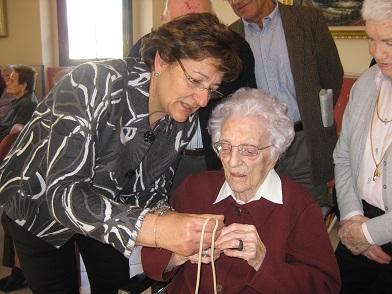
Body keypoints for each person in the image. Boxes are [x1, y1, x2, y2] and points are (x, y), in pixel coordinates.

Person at [0, 13, 242, 294]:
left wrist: (179, 230)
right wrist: (156, 229)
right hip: (37, 202)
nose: (202, 100)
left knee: (113, 281)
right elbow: (62, 193)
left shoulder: (181, 119)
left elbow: (151, 192)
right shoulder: (91, 83)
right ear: (161, 60)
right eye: (195, 80)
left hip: (104, 199)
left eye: (211, 90)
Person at [142, 88, 341, 293]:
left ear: (274, 154)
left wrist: (263, 261)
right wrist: (178, 255)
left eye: (249, 150)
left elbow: (324, 286)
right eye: (225, 147)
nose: (233, 162)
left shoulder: (298, 205)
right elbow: (150, 260)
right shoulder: (194, 188)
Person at [129, 0, 256, 192]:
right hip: (156, 158)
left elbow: (247, 109)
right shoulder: (143, 49)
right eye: (178, 29)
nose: (203, 101)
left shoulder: (237, 50)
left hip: (213, 159)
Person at [227, 0, 344, 207]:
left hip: (305, 140)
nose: (236, 1)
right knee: (264, 208)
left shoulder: (308, 20)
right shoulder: (231, 36)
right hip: (259, 145)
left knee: (310, 208)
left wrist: (316, 117)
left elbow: (332, 74)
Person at [333, 0, 392, 292]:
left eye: (389, 42)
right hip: (359, 215)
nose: (377, 53)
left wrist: (368, 234)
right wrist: (353, 219)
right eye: (371, 38)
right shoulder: (367, 83)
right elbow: (343, 157)